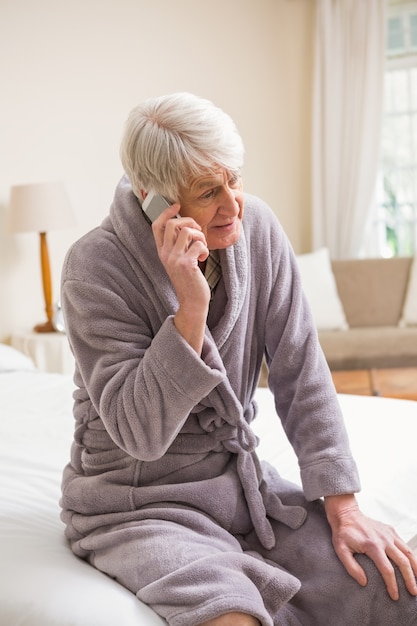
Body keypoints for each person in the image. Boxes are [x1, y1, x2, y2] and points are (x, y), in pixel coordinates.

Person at [60, 92, 417, 626]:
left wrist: (343, 507)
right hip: (137, 504)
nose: (233, 206)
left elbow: (302, 374)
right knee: (231, 615)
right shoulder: (93, 268)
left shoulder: (258, 230)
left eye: (236, 179)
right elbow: (140, 434)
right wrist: (189, 310)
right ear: (153, 199)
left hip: (241, 486)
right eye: (208, 192)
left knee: (392, 583)